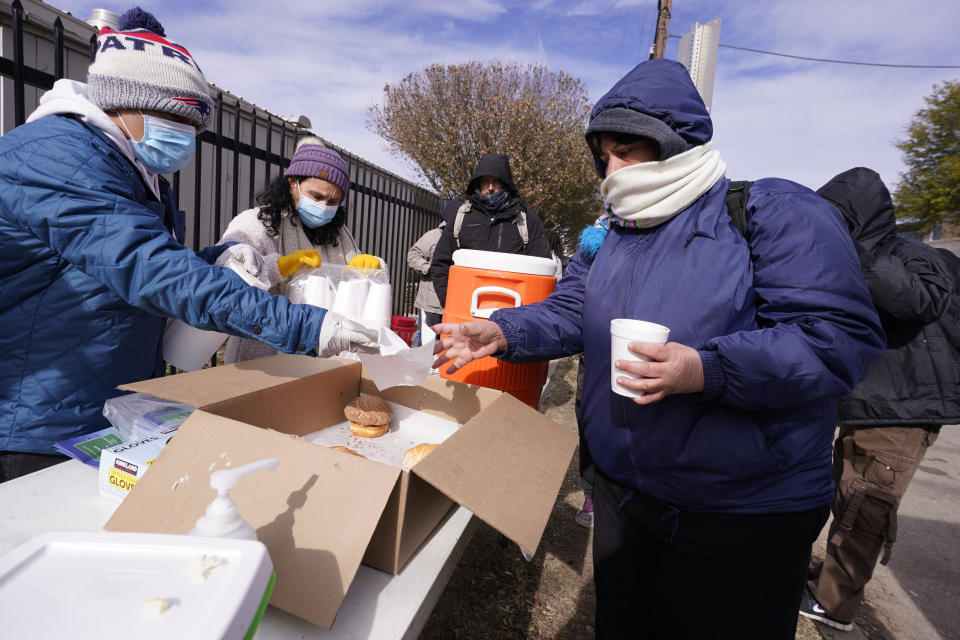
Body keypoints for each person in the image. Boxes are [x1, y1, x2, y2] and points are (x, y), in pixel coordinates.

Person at [432, 59, 885, 639]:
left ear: (675, 146)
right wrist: (503, 330)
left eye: (629, 150)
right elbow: (574, 309)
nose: (613, 168)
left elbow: (836, 338)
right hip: (627, 497)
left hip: (740, 513)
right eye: (604, 155)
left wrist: (705, 369)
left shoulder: (772, 212)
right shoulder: (615, 234)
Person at [0, 9, 377, 483]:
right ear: (126, 104)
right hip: (38, 418)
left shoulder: (131, 168)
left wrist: (213, 259)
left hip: (103, 397)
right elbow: (150, 269)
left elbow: (119, 262)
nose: (188, 138)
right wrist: (308, 326)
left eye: (195, 127)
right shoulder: (60, 159)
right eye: (178, 120)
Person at [799, 168, 960, 631]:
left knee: (865, 507)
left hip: (904, 411)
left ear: (860, 221)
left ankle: (834, 605)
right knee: (845, 494)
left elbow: (917, 303)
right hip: (870, 405)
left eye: (839, 221)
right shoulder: (867, 259)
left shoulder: (917, 257)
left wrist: (857, 247)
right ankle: (827, 578)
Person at [216, 136, 382, 363]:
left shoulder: (340, 237)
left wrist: (367, 271)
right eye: (317, 196)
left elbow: (353, 296)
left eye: (333, 201)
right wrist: (278, 267)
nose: (324, 207)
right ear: (293, 183)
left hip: (321, 358)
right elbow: (221, 275)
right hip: (262, 358)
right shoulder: (255, 224)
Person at [428, 152, 552, 305]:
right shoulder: (462, 217)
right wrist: (451, 301)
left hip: (512, 313)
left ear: (506, 183)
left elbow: (542, 271)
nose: (491, 188)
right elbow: (440, 263)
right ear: (478, 183)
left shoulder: (527, 220)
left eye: (496, 182)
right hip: (465, 311)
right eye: (485, 181)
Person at [406, 221, 446, 327]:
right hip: (432, 304)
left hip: (457, 304)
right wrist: (428, 268)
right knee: (428, 340)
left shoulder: (469, 235)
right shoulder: (433, 235)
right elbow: (412, 256)